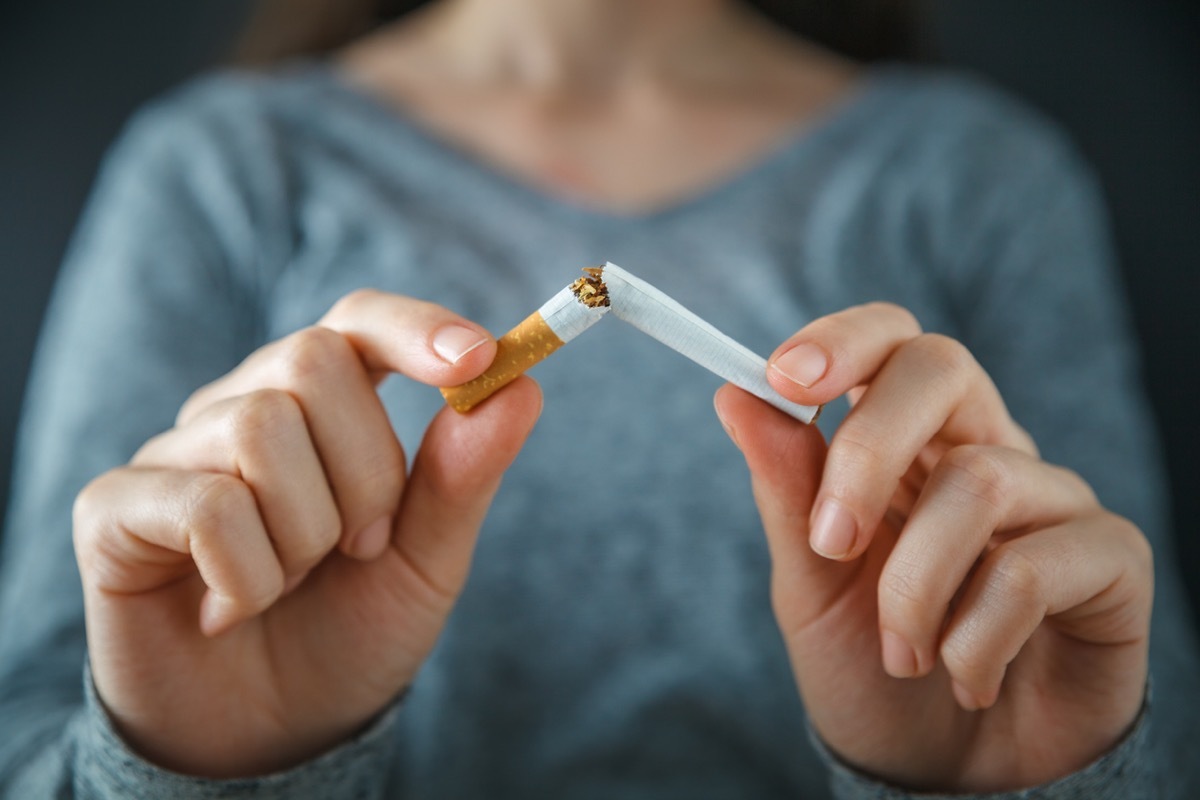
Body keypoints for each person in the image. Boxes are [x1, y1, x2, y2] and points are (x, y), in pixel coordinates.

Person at [0, 0, 1196, 796]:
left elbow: (1146, 714)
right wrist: (193, 760)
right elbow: (31, 734)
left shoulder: (975, 174)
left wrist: (1032, 776)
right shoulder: (224, 167)